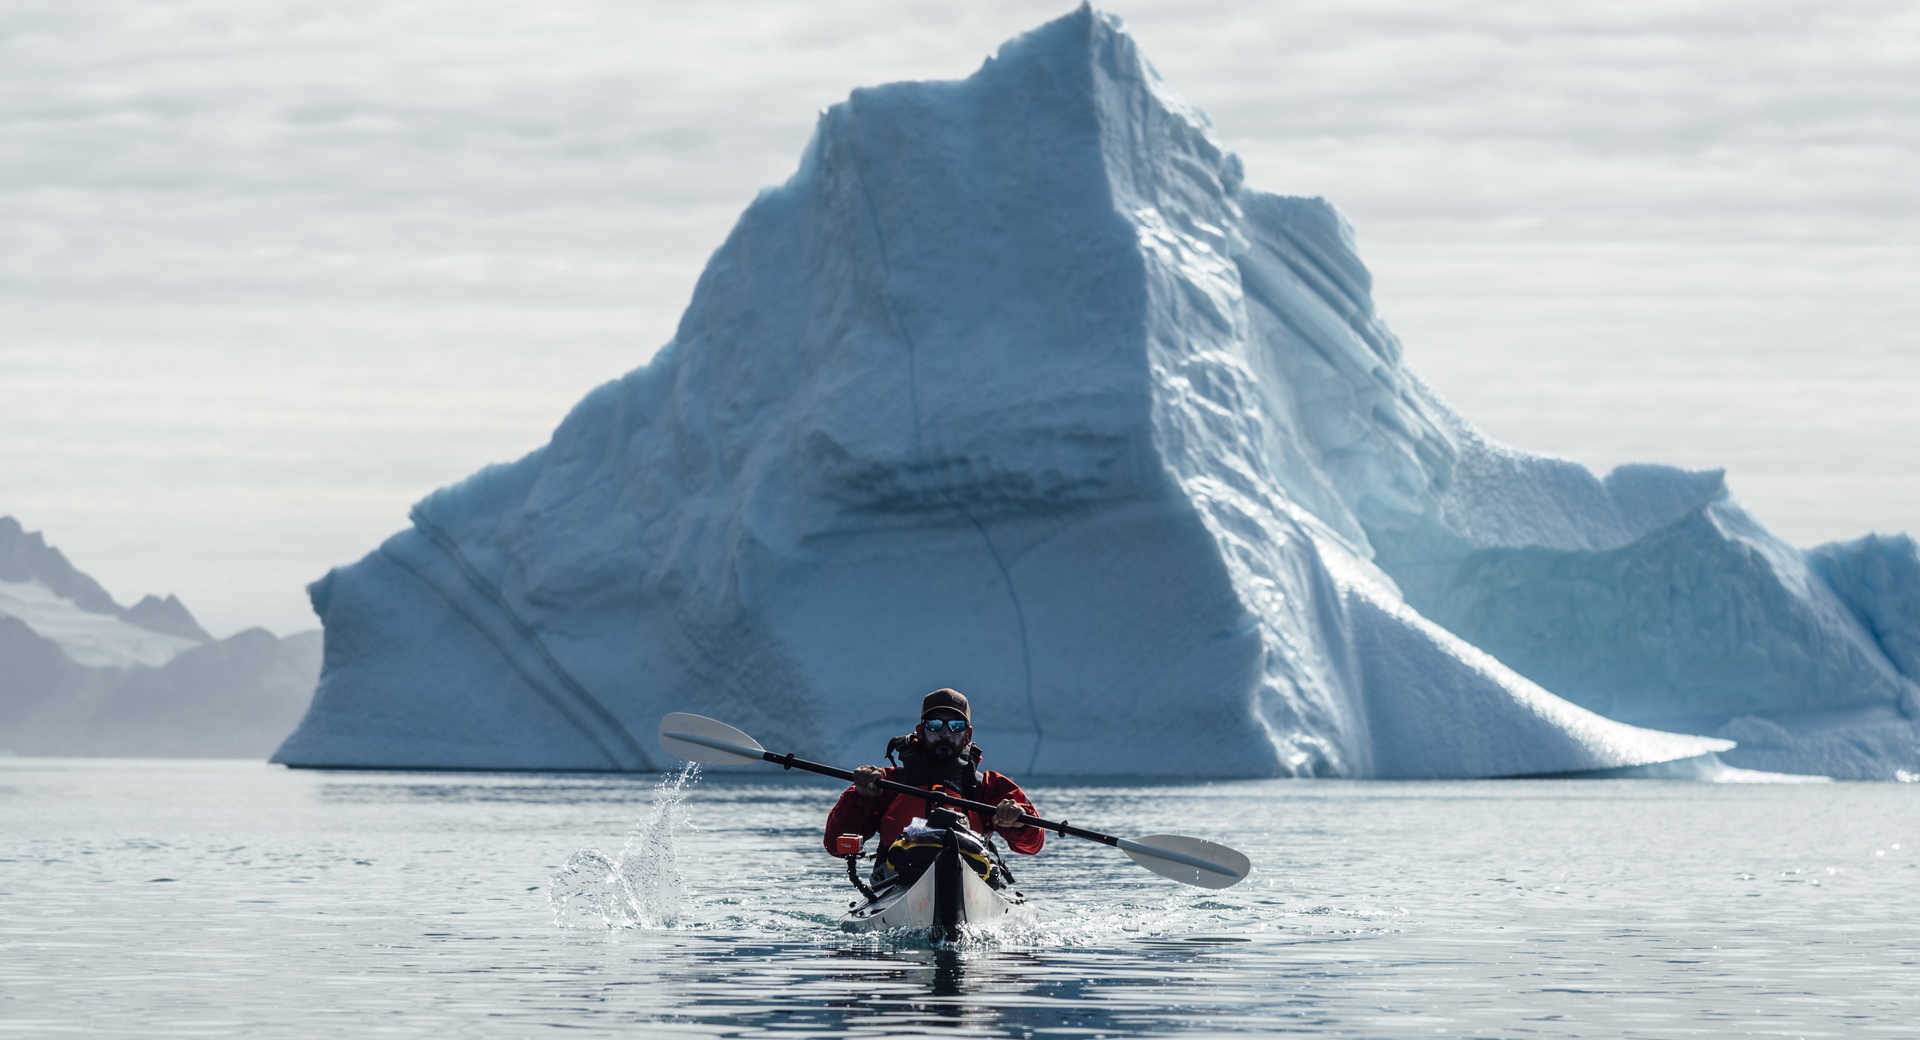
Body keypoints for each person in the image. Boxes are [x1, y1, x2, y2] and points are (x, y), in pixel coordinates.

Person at [822, 688, 1044, 874]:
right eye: (935, 725)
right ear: (920, 731)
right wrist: (862, 797)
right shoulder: (882, 783)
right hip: (897, 878)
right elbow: (835, 845)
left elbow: (1032, 845)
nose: (945, 733)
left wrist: (1019, 821)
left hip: (973, 876)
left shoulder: (989, 786)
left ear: (968, 734)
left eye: (956, 726)